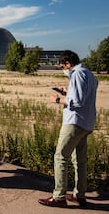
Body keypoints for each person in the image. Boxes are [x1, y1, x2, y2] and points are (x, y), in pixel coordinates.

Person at [39, 50, 98, 208]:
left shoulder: (77, 74)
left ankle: (59, 196)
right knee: (79, 160)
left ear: (68, 64)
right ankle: (80, 194)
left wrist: (58, 99)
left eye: (62, 66)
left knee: (60, 157)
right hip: (87, 122)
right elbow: (84, 96)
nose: (63, 70)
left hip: (75, 122)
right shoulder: (90, 75)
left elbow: (77, 101)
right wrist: (66, 92)